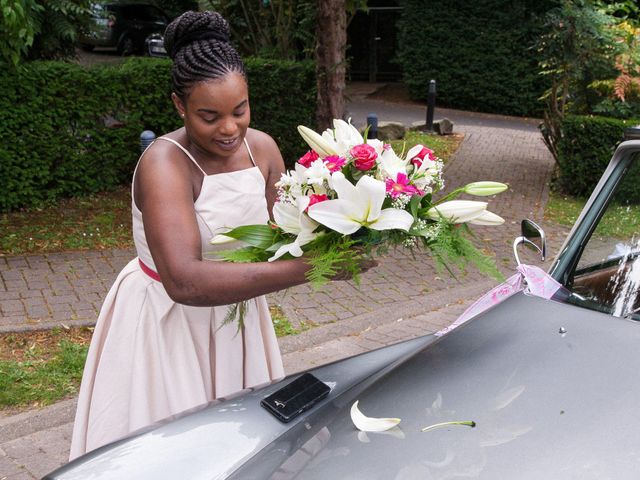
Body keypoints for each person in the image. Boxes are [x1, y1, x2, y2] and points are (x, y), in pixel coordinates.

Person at [69, 10, 370, 460]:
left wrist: (361, 223)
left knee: (240, 449)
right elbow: (185, 281)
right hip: (168, 323)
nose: (229, 128)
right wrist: (313, 269)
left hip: (238, 317)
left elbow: (289, 233)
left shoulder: (263, 148)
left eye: (240, 110)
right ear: (179, 105)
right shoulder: (164, 164)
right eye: (209, 116)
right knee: (174, 454)